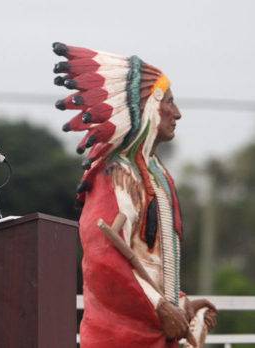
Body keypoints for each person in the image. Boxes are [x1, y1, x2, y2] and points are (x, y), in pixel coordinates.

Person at [53, 42, 218, 348]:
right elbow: (104, 263)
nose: (177, 113)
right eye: (168, 101)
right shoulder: (112, 174)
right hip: (119, 338)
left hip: (156, 333)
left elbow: (151, 261)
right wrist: (160, 306)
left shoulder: (158, 174)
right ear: (148, 109)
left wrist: (181, 306)